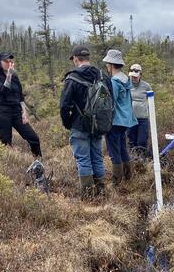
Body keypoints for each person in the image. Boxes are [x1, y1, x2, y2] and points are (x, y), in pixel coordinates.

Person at [60, 45, 113, 199]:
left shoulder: (72, 78)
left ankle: (89, 196)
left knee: (83, 160)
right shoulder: (103, 76)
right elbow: (110, 102)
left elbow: (64, 105)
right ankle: (101, 191)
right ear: (88, 58)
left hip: (79, 125)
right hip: (98, 126)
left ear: (76, 59)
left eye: (74, 59)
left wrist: (68, 123)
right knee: (97, 157)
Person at [0, 51, 42, 157]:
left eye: (10, 61)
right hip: (3, 113)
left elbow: (20, 96)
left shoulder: (15, 77)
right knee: (6, 144)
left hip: (17, 112)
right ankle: (8, 168)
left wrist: (24, 112)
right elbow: (2, 91)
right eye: (5, 61)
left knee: (34, 138)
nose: (9, 63)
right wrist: (8, 75)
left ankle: (38, 162)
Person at [102, 50, 138, 185]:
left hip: (115, 121)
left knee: (114, 151)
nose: (106, 66)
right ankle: (128, 177)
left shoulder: (114, 82)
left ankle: (116, 181)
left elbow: (111, 103)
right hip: (124, 120)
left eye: (107, 64)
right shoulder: (125, 79)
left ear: (111, 65)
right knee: (122, 148)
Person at [128, 63, 152, 155]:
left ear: (140, 74)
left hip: (143, 119)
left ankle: (142, 162)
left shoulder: (146, 86)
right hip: (130, 118)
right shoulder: (126, 85)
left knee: (142, 142)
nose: (134, 78)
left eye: (136, 76)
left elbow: (151, 99)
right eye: (132, 76)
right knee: (132, 142)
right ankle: (133, 161)